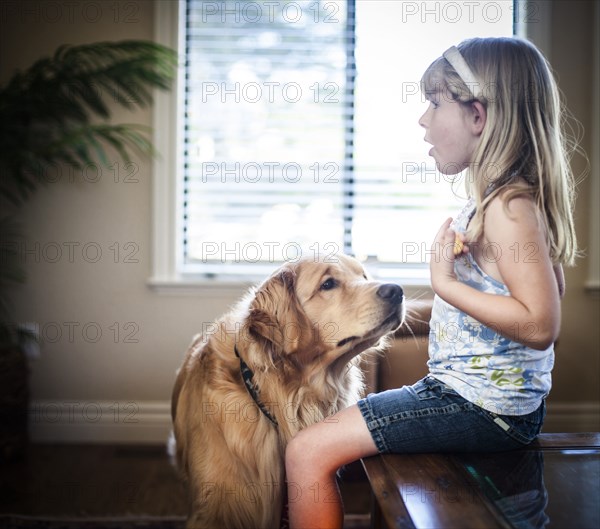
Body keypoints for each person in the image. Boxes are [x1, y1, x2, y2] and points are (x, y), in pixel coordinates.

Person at [284, 36, 578, 529]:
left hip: (477, 407)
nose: (423, 119)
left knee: (307, 451)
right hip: (477, 400)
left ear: (478, 116)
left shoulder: (508, 209)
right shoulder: (507, 205)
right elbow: (546, 294)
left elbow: (541, 323)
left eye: (435, 103)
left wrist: (445, 283)